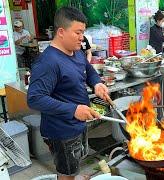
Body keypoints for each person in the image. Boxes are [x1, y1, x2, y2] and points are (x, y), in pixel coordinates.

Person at [27, 7, 109, 180]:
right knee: (66, 174)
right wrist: (73, 110)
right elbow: (35, 98)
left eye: (83, 32)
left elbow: (89, 70)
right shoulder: (48, 62)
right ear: (61, 32)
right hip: (61, 130)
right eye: (78, 32)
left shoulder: (77, 52)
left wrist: (97, 84)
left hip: (77, 124)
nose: (82, 38)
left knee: (74, 166)